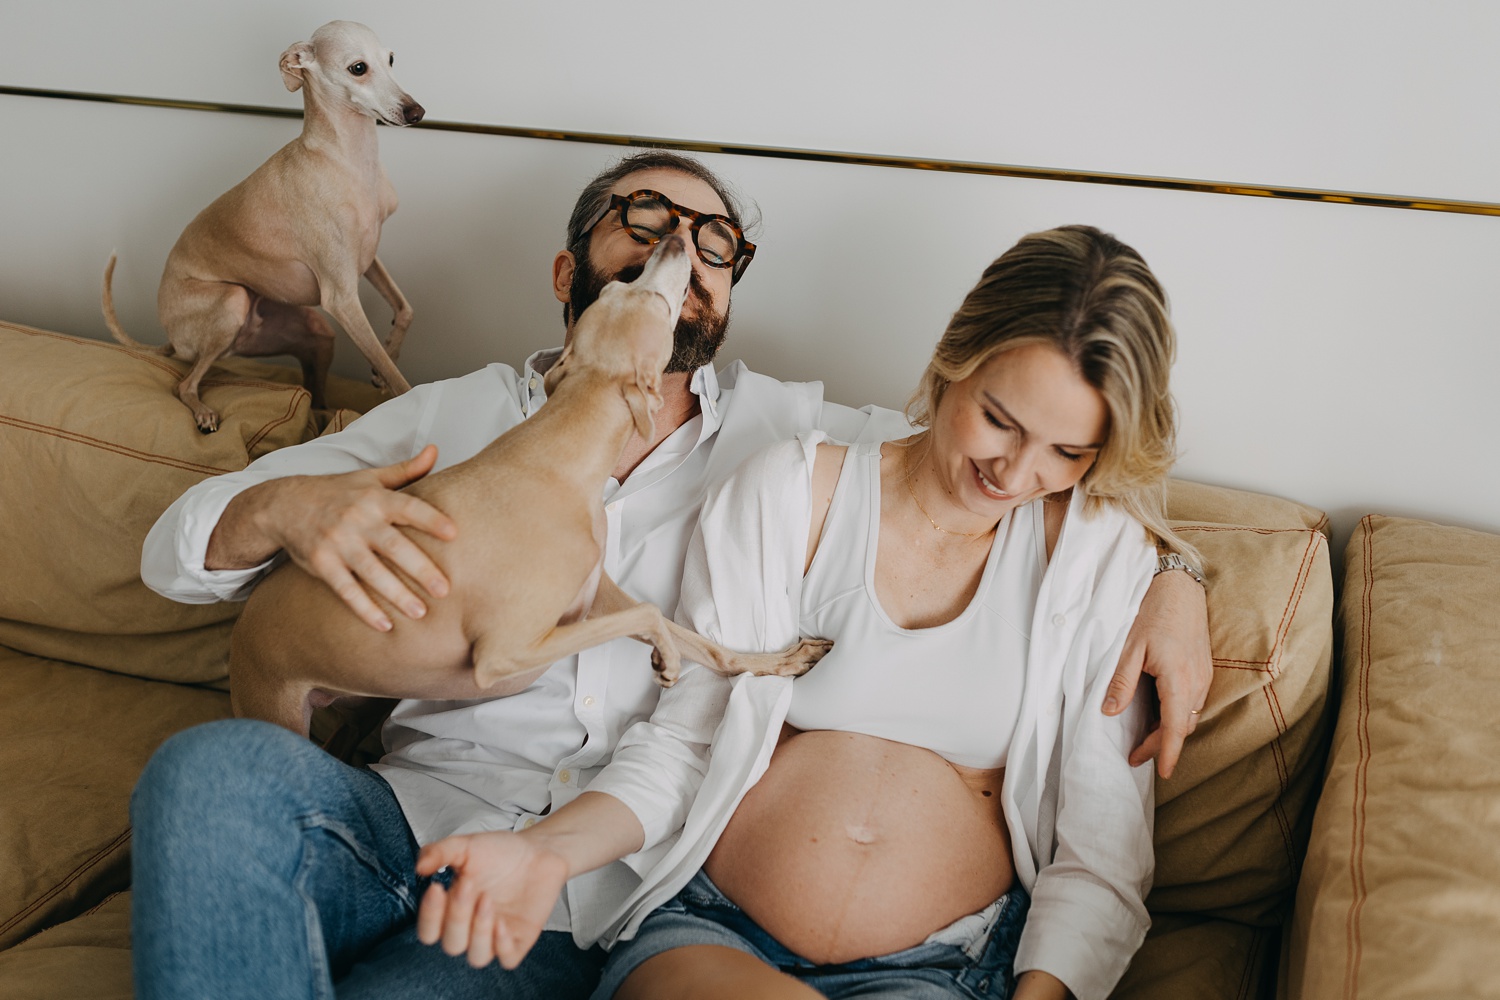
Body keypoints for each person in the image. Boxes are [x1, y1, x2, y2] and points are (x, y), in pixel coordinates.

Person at [129, 153, 1211, 1000]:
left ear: (725, 294)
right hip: (404, 815)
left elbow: (1006, 466)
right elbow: (174, 555)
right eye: (642, 226)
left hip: (579, 894)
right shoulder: (445, 418)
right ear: (569, 273)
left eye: (712, 246)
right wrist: (282, 505)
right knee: (205, 772)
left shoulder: (790, 437)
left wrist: (1175, 569)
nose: (677, 258)